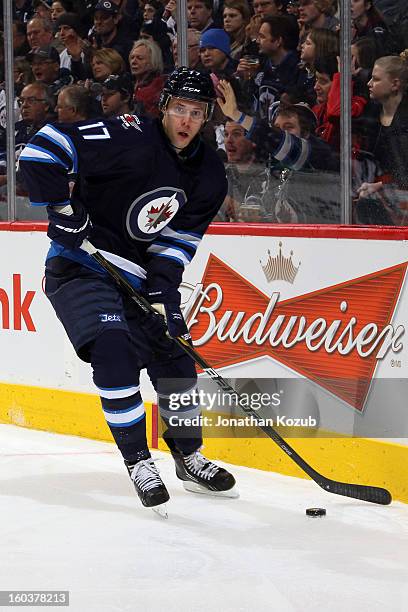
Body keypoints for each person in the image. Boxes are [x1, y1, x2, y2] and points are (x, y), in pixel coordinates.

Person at [19, 67, 235, 512]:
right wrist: (62, 206)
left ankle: (188, 454)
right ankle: (138, 460)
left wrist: (164, 293)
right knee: (113, 349)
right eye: (179, 109)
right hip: (80, 265)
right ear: (163, 108)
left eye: (196, 112)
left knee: (176, 358)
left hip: (135, 276)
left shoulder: (210, 174)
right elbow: (43, 149)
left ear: (207, 116)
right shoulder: (128, 135)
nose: (186, 121)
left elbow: (176, 244)